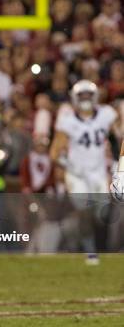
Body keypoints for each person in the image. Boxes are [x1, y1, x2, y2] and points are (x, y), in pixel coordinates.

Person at [50, 80, 117, 265]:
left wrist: (117, 162)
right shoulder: (68, 121)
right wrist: (69, 164)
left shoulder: (106, 114)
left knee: (102, 214)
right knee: (84, 213)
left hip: (98, 172)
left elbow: (118, 135)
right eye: (82, 96)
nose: (86, 99)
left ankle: (96, 246)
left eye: (89, 95)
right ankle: (90, 253)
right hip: (77, 174)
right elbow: (55, 152)